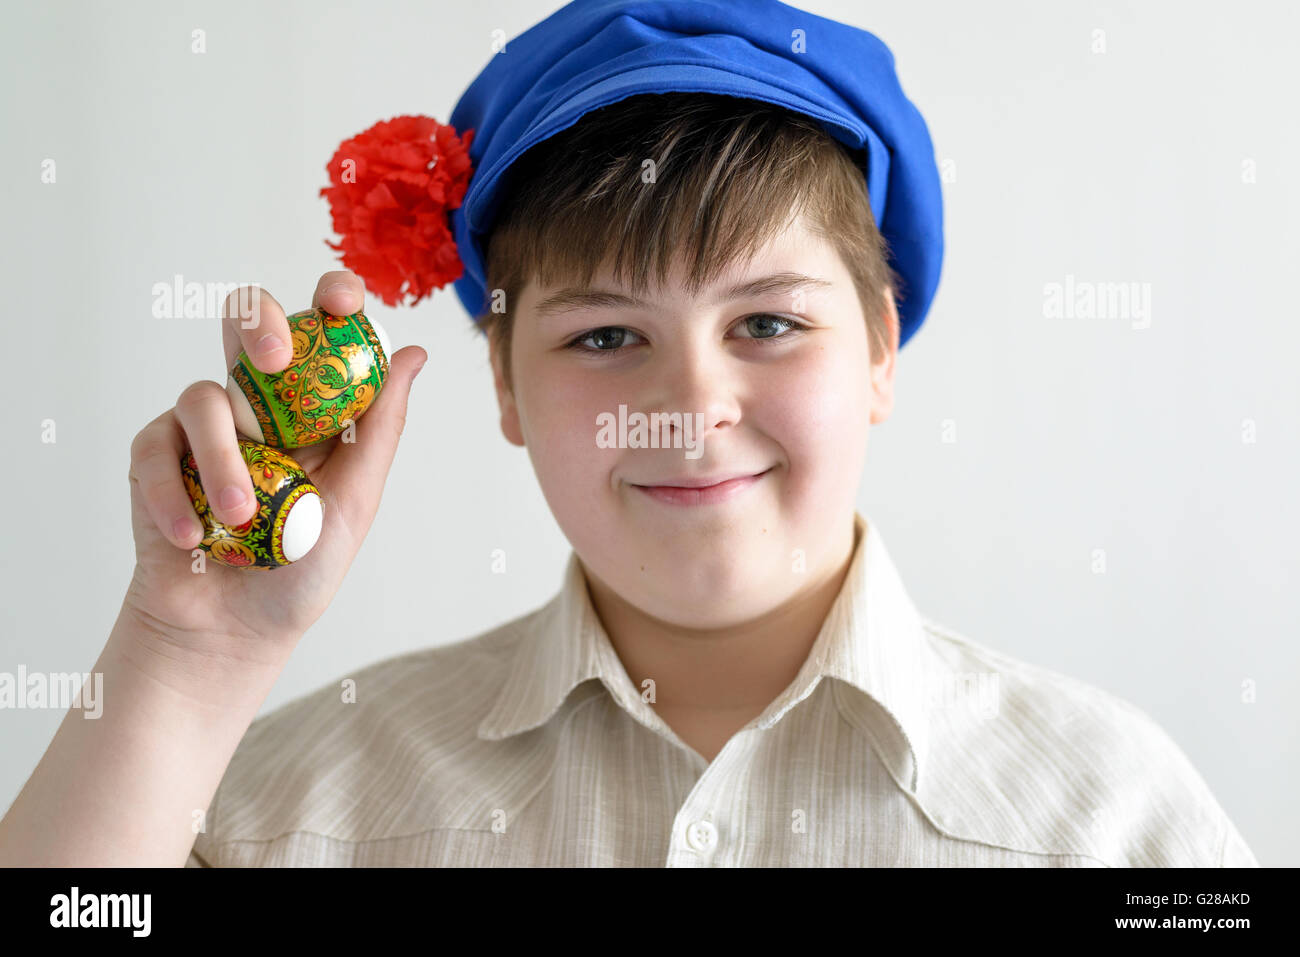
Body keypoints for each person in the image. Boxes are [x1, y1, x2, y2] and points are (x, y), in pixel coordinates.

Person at [0, 0, 1257, 867]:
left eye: (766, 322)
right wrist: (185, 657)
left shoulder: (1110, 820)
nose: (690, 404)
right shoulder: (296, 809)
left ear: (878, 349)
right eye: (603, 338)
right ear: (502, 382)